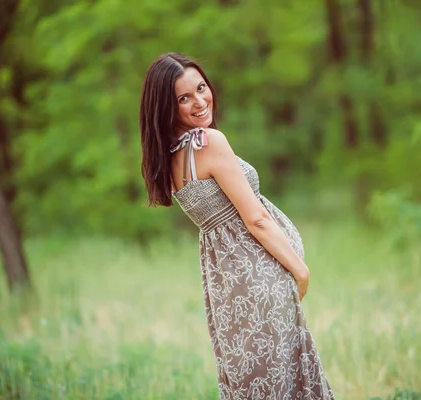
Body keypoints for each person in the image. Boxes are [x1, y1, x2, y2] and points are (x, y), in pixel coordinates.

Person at [139, 52, 334, 400]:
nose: (200, 101)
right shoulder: (210, 142)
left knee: (253, 384)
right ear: (166, 108)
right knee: (285, 384)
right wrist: (300, 271)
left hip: (227, 293)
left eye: (201, 88)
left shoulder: (167, 159)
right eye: (184, 98)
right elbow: (256, 219)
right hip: (258, 284)